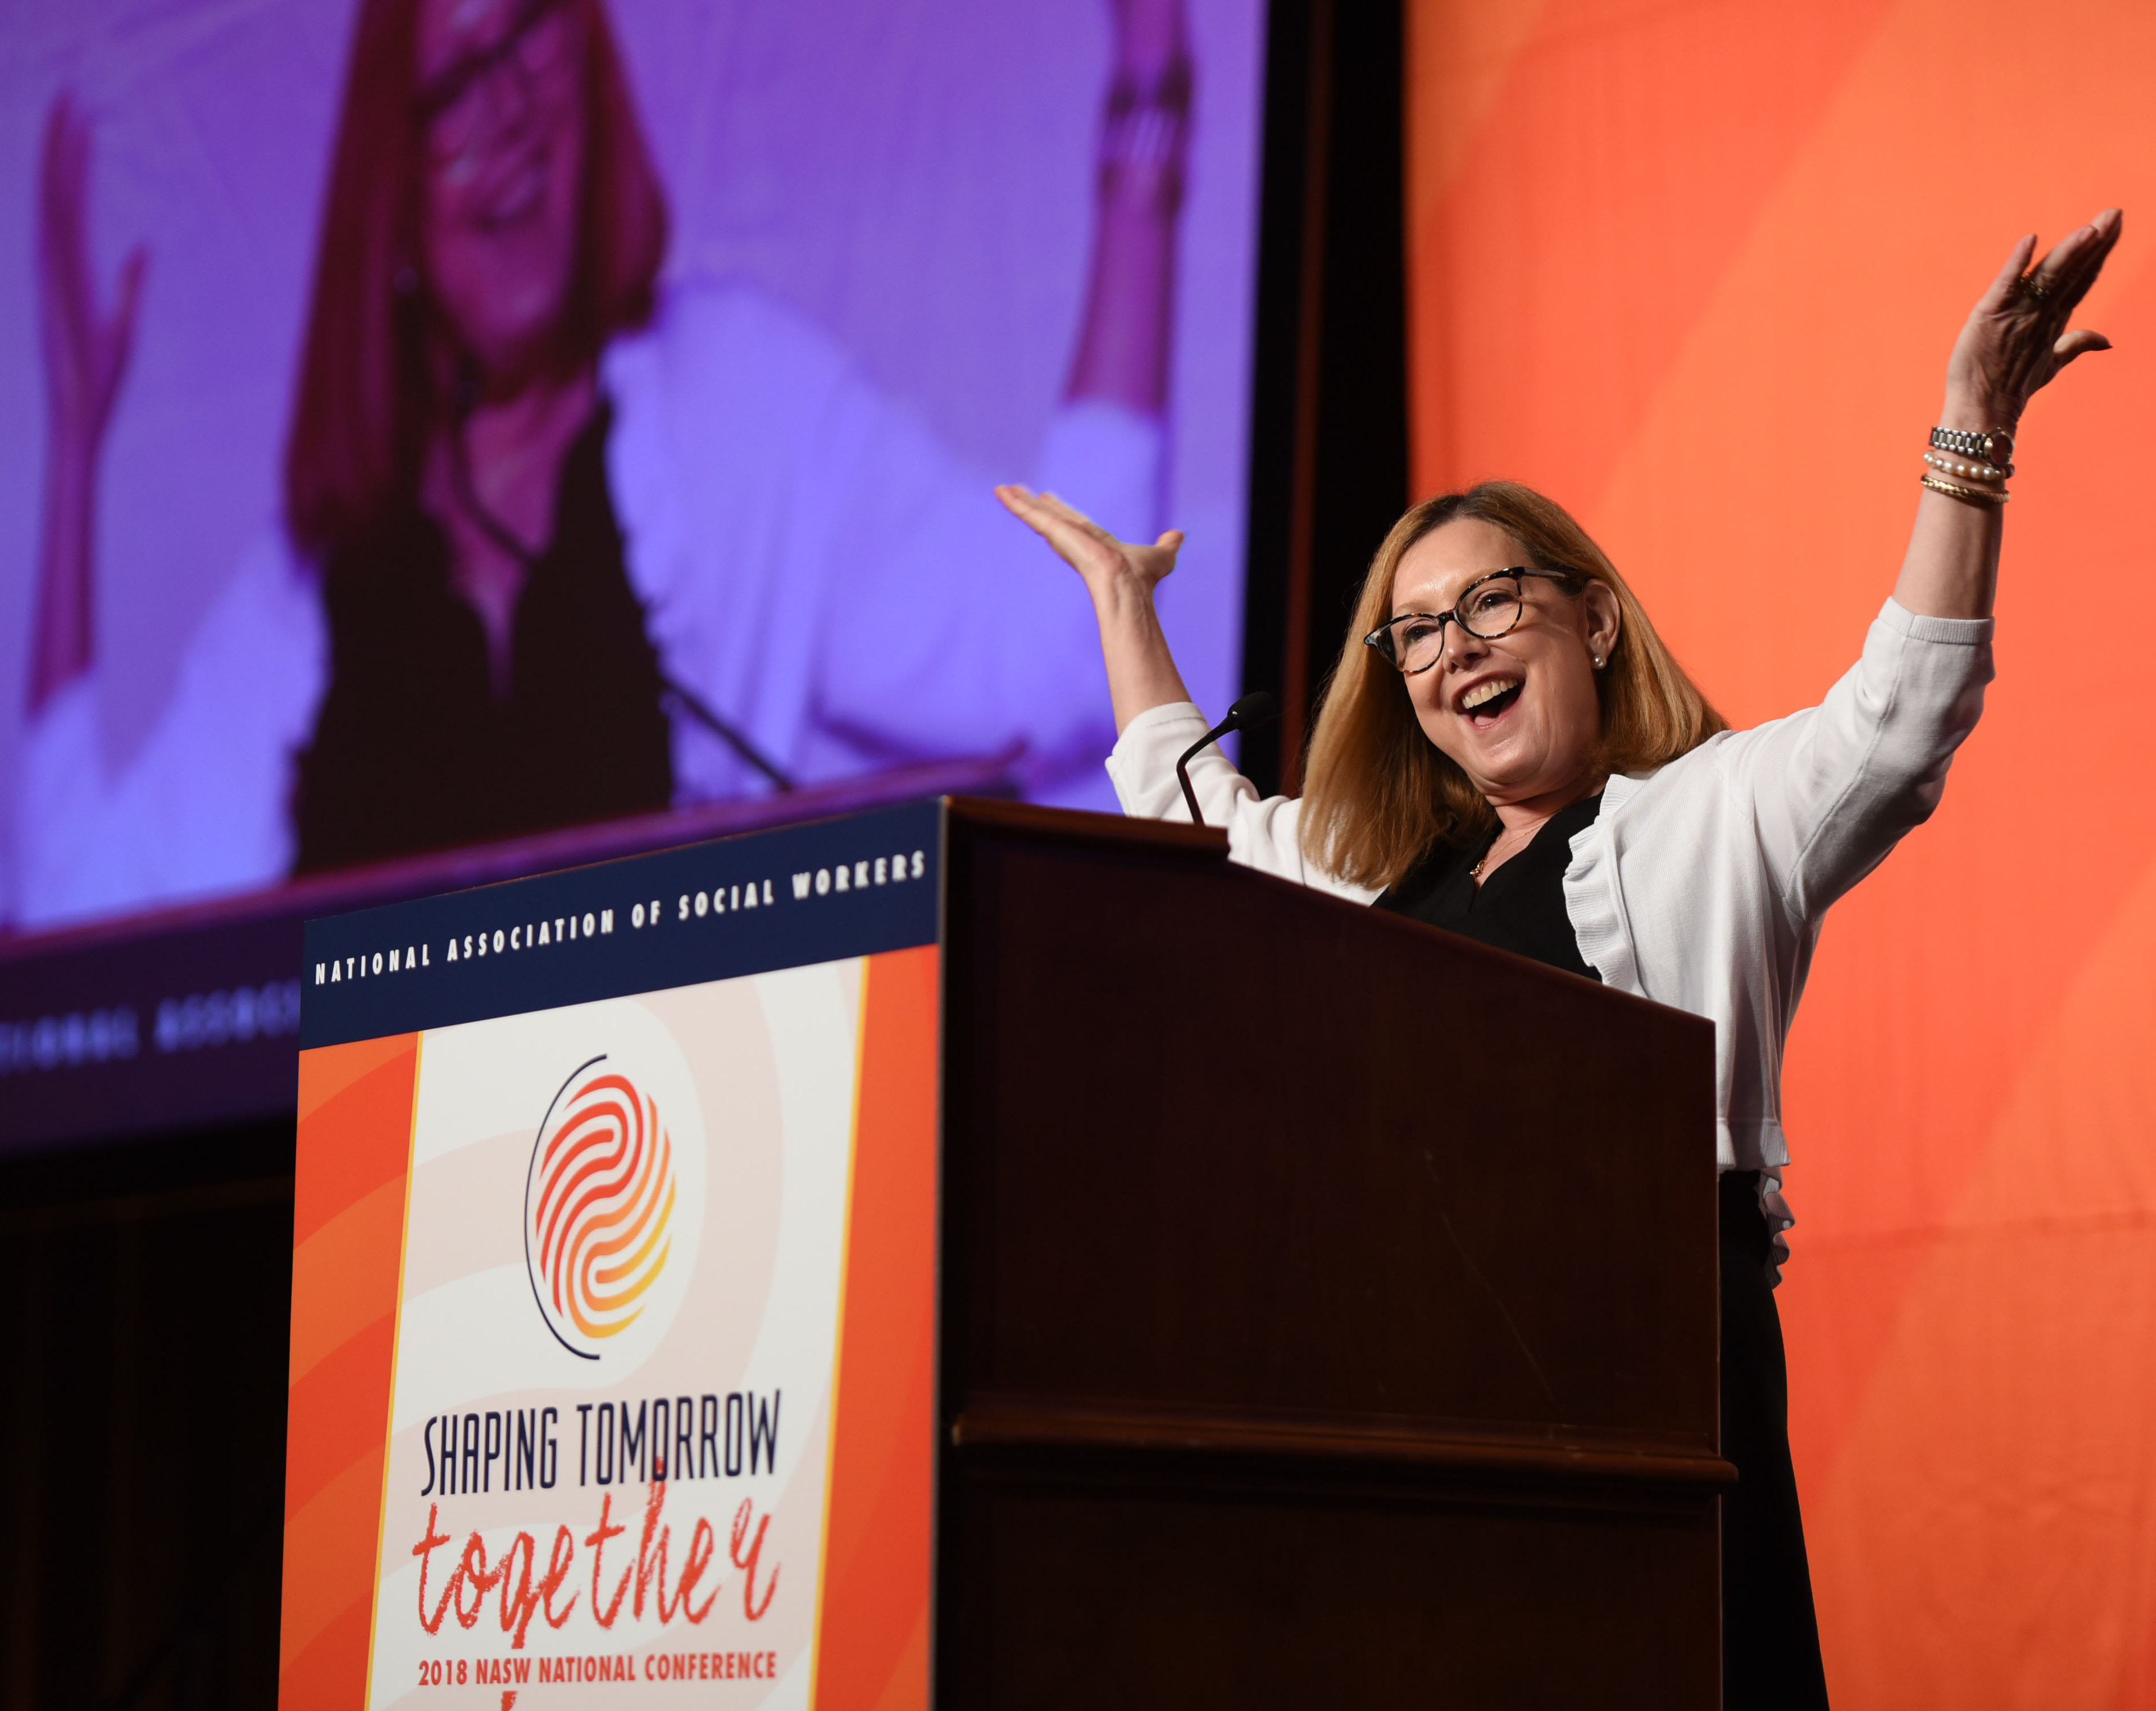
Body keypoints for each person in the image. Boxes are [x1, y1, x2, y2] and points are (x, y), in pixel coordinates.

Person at [999, 209, 2123, 1707]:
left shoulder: (1710, 822)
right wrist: (1126, 610)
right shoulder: (1366, 878)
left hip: (1646, 1365)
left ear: (1589, 619)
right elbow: (1197, 820)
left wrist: (1968, 434)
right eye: (1411, 633)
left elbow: (1899, 719)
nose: (1453, 646)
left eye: (1488, 602)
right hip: (1409, 1394)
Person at [19, 0, 1192, 925]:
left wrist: (1148, 115)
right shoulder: (311, 578)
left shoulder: (736, 408)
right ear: (392, 195)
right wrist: (71, 459)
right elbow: (78, 900)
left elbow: (1063, 652)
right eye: (453, 84)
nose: (512, 109)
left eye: (534, 36)